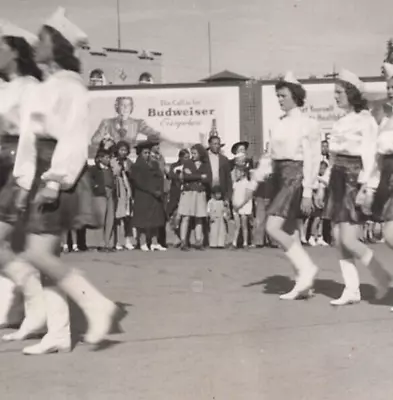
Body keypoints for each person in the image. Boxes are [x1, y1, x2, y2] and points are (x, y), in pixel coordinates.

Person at [11, 8, 126, 354]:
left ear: (57, 46)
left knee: (37, 251)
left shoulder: (72, 86)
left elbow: (74, 137)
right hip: (41, 174)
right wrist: (23, 180)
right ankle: (59, 333)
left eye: (42, 39)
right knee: (42, 255)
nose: (36, 45)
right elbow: (29, 139)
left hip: (59, 174)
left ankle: (96, 305)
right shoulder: (46, 86)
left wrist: (54, 180)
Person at [234, 72, 322, 300]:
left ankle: (306, 269)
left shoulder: (309, 124)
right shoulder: (277, 125)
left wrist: (308, 191)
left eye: (283, 96)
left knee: (273, 228)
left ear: (295, 96)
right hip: (279, 177)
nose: (279, 100)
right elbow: (268, 158)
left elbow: (313, 159)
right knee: (290, 232)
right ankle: (304, 285)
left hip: (296, 177)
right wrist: (253, 183)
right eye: (278, 96)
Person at [318, 69, 391, 306]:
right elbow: (334, 157)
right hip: (338, 178)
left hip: (353, 179)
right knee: (338, 238)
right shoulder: (339, 122)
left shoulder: (366, 120)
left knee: (349, 239)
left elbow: (371, 156)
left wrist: (365, 187)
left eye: (339, 92)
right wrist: (323, 184)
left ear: (351, 93)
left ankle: (382, 276)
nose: (336, 97)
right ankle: (352, 289)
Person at [0, 22, 47, 342]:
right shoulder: (3, 87)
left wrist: (25, 180)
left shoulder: (30, 86)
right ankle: (11, 310)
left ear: (15, 52)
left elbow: (31, 134)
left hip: (17, 165)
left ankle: (36, 307)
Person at [131, 140, 166, 251]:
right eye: (144, 153)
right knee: (143, 221)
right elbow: (138, 182)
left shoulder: (154, 163)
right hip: (143, 195)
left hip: (155, 196)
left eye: (148, 153)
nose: (147, 155)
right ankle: (142, 242)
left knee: (156, 220)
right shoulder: (137, 165)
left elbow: (160, 177)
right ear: (140, 153)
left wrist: (159, 190)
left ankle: (155, 242)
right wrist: (152, 190)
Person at [178, 144, 209, 250]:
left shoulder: (205, 164)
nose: (193, 155)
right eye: (192, 153)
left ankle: (198, 241)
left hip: (200, 193)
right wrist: (199, 176)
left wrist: (193, 176)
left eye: (195, 153)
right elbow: (186, 177)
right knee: (185, 216)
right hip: (188, 192)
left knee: (199, 217)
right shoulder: (187, 163)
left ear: (200, 154)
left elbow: (208, 178)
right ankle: (183, 241)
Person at [90, 148, 116, 252]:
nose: (109, 159)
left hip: (110, 193)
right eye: (106, 157)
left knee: (110, 218)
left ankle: (107, 243)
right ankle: (100, 244)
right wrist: (95, 186)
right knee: (101, 219)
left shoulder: (109, 169)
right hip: (99, 194)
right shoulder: (94, 169)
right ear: (100, 158)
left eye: (109, 157)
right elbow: (89, 180)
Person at [112, 141, 134, 250]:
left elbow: (133, 175)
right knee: (118, 217)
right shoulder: (113, 161)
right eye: (121, 150)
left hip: (128, 190)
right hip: (118, 190)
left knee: (128, 217)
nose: (123, 152)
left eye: (125, 150)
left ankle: (128, 240)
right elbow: (114, 173)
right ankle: (117, 241)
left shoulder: (129, 162)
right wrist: (119, 167)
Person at [167, 149, 190, 247]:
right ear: (180, 157)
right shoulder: (174, 166)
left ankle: (184, 239)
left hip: (186, 194)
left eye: (188, 157)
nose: (187, 159)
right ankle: (178, 236)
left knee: (184, 216)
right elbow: (171, 175)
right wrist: (179, 173)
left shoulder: (190, 166)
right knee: (172, 216)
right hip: (175, 194)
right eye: (185, 158)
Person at [231, 155, 253, 248]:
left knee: (244, 225)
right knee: (237, 226)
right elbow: (233, 194)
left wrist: (240, 205)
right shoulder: (236, 183)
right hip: (236, 206)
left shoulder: (247, 183)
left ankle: (245, 242)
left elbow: (247, 197)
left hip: (243, 206)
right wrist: (233, 204)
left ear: (243, 173)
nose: (237, 174)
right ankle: (234, 243)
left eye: (239, 172)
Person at [307, 161, 329, 246]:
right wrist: (314, 198)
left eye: (324, 168)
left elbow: (327, 184)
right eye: (321, 168)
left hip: (323, 200)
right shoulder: (314, 178)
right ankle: (311, 237)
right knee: (316, 219)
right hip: (316, 200)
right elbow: (312, 189)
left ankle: (320, 237)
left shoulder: (324, 178)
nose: (322, 170)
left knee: (321, 220)